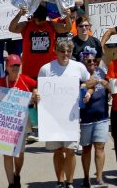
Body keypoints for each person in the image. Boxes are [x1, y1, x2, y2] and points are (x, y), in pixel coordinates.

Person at [37, 39, 93, 188]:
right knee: (57, 151)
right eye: (62, 51)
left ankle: (70, 182)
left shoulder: (78, 67)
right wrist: (36, 95)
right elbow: (39, 90)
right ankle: (59, 181)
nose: (65, 54)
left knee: (70, 151)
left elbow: (90, 81)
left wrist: (87, 91)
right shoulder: (46, 69)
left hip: (71, 118)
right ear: (56, 52)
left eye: (68, 51)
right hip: (52, 118)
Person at [0, 54, 39, 188]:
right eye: (12, 65)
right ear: (6, 67)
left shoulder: (26, 80)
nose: (15, 68)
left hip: (22, 122)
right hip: (6, 123)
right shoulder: (1, 82)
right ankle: (11, 184)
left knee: (19, 154)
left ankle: (17, 174)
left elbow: (35, 87)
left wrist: (36, 93)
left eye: (17, 65)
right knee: (7, 153)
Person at [78, 47, 109, 188]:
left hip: (102, 117)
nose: (92, 63)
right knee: (86, 149)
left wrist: (106, 84)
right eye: (88, 61)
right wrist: (90, 85)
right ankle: (86, 178)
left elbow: (109, 86)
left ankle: (99, 178)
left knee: (100, 147)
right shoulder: (79, 76)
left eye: (94, 61)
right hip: (85, 118)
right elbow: (78, 89)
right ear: (83, 62)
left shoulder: (102, 72)